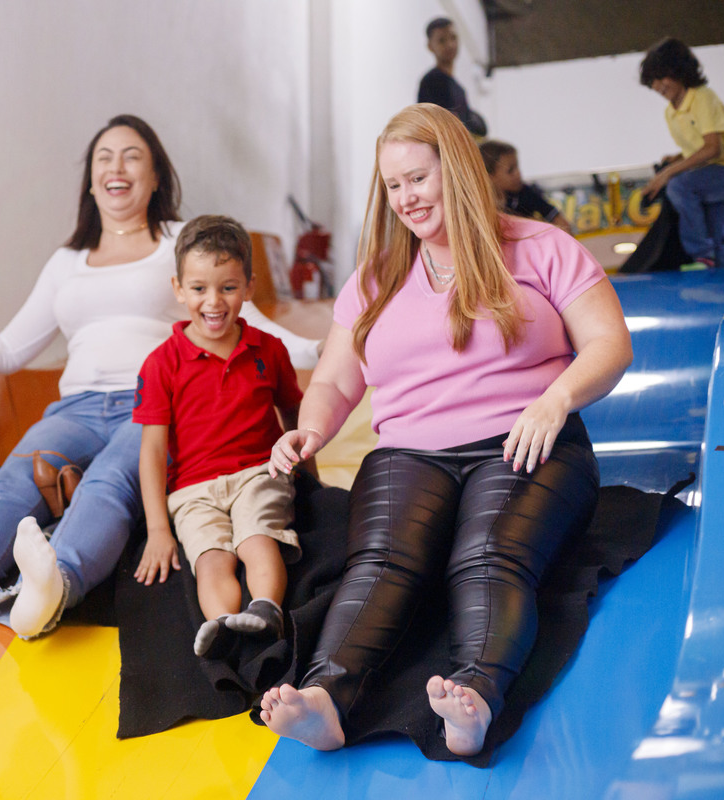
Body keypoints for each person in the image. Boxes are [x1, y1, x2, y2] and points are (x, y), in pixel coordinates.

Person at [0, 114, 321, 646]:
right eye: (104, 158)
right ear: (91, 181)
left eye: (132, 156)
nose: (117, 168)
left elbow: (241, 315)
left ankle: (54, 583)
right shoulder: (66, 262)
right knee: (13, 481)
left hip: (154, 406)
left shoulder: (178, 241)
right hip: (76, 408)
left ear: (156, 177)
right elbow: (7, 350)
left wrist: (318, 349)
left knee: (108, 484)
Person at [259, 103, 632, 757]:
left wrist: (556, 400)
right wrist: (310, 430)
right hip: (410, 452)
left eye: (418, 178)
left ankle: (476, 697)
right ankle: (325, 699)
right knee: (381, 561)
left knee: (486, 554)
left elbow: (609, 343)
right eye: (393, 185)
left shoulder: (540, 247)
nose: (405, 197)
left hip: (524, 438)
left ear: (456, 170)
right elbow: (336, 382)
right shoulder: (375, 278)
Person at [132, 215, 305, 659]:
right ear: (178, 288)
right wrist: (157, 529)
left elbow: (292, 412)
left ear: (248, 287)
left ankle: (266, 610)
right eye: (198, 288)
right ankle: (222, 625)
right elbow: (153, 450)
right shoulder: (161, 363)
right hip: (192, 490)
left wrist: (308, 473)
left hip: (258, 473)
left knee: (256, 540)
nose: (213, 302)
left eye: (228, 287)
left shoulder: (269, 349)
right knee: (210, 557)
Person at [639, 37, 724, 269]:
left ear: (678, 72)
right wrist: (676, 158)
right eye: (653, 81)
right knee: (718, 243)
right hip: (712, 177)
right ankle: (713, 260)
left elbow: (713, 148)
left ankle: (699, 253)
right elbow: (696, 149)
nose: (658, 85)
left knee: (679, 186)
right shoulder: (671, 113)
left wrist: (668, 173)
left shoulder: (702, 97)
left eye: (662, 77)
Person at [479, 140, 572, 234]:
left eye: (517, 167)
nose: (518, 173)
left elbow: (557, 218)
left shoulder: (526, 193)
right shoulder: (483, 204)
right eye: (510, 170)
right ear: (490, 177)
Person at [418, 17, 488, 138]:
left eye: (453, 38)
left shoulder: (458, 89)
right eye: (442, 40)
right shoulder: (432, 82)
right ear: (430, 46)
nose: (450, 45)